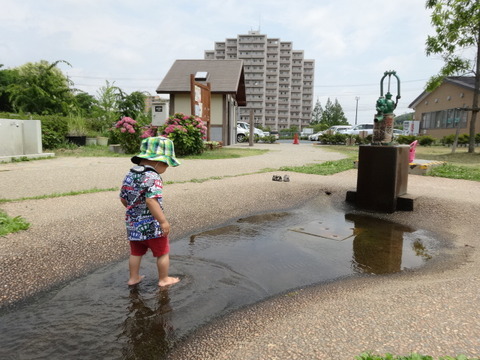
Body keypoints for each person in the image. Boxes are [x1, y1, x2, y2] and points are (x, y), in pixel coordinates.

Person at [120, 136, 181, 287]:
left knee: (136, 253)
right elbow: (151, 200)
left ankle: (133, 278)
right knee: (162, 252)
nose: (166, 169)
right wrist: (163, 221)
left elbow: (123, 198)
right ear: (158, 162)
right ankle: (164, 279)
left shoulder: (130, 174)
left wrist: (135, 210)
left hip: (133, 225)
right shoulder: (153, 176)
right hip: (153, 226)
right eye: (166, 164)